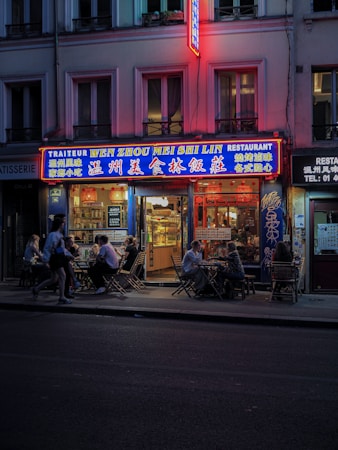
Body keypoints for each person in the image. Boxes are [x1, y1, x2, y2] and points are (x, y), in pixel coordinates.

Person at [32, 216, 71, 304]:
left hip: (57, 258)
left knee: (54, 278)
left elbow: (60, 248)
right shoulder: (53, 235)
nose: (64, 225)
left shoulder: (58, 235)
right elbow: (48, 247)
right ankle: (62, 297)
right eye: (63, 223)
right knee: (63, 275)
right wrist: (45, 259)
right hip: (55, 258)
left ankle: (36, 288)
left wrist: (68, 254)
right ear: (61, 224)